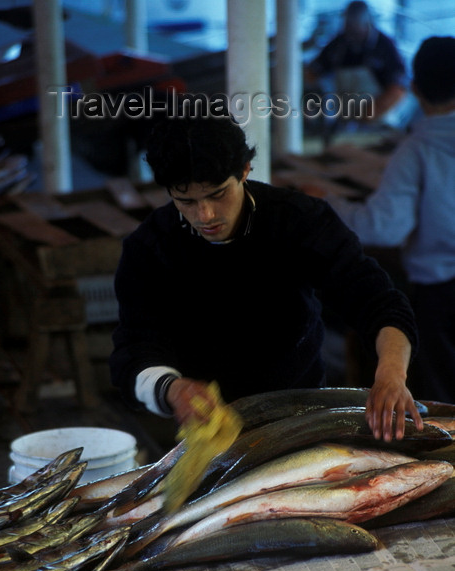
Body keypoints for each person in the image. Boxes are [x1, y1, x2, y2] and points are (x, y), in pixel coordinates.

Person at [109, 112, 423, 441]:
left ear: (244, 171)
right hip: (207, 426)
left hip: (304, 410)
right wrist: (173, 389)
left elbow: (377, 300)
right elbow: (134, 350)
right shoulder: (149, 248)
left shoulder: (299, 221)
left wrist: (390, 374)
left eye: (218, 194)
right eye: (186, 201)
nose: (206, 216)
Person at [314, 36, 455, 403]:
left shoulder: (418, 149)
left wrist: (326, 205)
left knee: (444, 402)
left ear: (415, 89)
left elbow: (385, 226)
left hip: (443, 298)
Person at [305, 1, 411, 129]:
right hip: (346, 121)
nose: (353, 34)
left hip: (380, 122)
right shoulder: (338, 45)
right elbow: (313, 72)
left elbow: (399, 87)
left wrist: (373, 112)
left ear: (367, 24)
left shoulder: (384, 46)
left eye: (357, 29)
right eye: (349, 28)